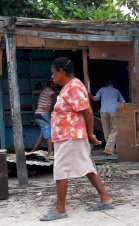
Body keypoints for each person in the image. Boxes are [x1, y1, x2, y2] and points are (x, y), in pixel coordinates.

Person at [40, 57, 113, 221]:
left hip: (71, 135)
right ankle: (105, 198)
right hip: (68, 135)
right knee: (86, 166)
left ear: (61, 72)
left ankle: (60, 209)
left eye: (53, 73)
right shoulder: (69, 87)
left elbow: (87, 112)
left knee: (60, 169)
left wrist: (90, 134)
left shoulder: (74, 87)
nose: (52, 77)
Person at [89, 81, 125, 156]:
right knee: (114, 130)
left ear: (105, 85)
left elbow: (95, 99)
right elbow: (123, 102)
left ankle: (110, 149)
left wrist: (89, 95)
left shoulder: (101, 89)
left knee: (106, 130)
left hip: (103, 111)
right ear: (112, 85)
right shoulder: (116, 91)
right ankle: (109, 149)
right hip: (113, 111)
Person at [32, 81, 57, 156]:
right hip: (41, 114)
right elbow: (56, 97)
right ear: (51, 84)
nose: (56, 86)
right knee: (48, 131)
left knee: (43, 134)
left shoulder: (46, 90)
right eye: (55, 84)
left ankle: (34, 150)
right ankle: (50, 152)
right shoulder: (48, 90)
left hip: (41, 114)